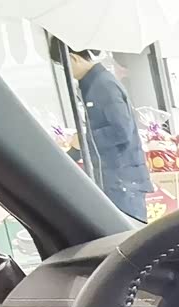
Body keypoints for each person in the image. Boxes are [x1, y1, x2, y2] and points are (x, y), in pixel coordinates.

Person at [52, 45, 153, 220]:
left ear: (73, 58)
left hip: (122, 181)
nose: (67, 73)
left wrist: (84, 140)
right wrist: (70, 155)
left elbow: (121, 130)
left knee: (126, 233)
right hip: (114, 179)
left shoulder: (103, 85)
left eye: (64, 66)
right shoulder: (93, 85)